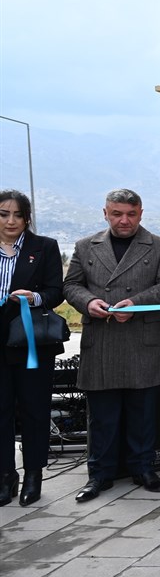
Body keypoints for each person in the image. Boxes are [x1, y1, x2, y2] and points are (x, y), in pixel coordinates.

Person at [64, 189, 160, 502]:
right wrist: (89, 302)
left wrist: (138, 303)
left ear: (141, 213)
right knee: (101, 415)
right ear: (105, 213)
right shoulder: (84, 245)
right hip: (101, 340)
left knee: (142, 412)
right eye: (117, 214)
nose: (124, 220)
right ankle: (98, 475)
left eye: (131, 214)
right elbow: (71, 285)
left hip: (141, 341)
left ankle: (143, 468)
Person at [0, 189, 64, 507]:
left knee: (35, 410)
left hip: (30, 343)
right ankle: (5, 476)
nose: (11, 221)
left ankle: (34, 474)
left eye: (18, 214)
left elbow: (56, 292)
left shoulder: (45, 247)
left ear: (27, 217)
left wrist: (34, 298)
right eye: (3, 214)